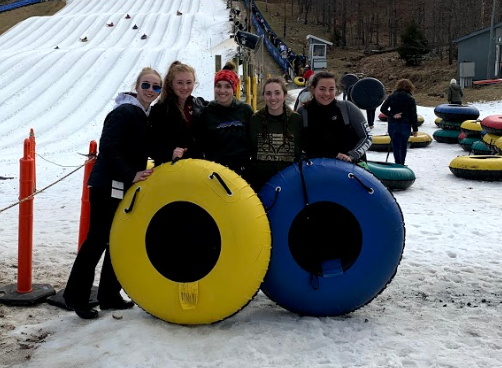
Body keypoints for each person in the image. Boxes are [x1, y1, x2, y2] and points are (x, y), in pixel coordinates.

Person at [63, 67, 162, 319]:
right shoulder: (124, 112)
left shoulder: (144, 114)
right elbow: (108, 148)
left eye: (156, 87)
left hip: (121, 186)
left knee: (117, 240)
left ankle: (109, 295)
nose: (151, 90)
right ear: (137, 86)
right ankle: (77, 297)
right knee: (97, 240)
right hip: (109, 185)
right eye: (146, 85)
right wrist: (131, 174)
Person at [193, 61, 254, 180]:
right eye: (218, 86)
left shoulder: (245, 110)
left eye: (227, 86)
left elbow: (253, 140)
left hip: (241, 172)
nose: (222, 91)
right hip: (215, 172)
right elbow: (200, 143)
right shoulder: (207, 112)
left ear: (234, 89)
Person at [297, 71, 372, 163]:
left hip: (349, 169)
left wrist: (352, 155)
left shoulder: (347, 108)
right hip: (316, 170)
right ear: (313, 89)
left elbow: (366, 137)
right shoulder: (303, 112)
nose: (327, 93)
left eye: (331, 89)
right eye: (322, 89)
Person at [249, 77, 303, 191]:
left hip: (290, 183)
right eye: (268, 93)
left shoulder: (296, 120)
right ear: (263, 96)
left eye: (277, 93)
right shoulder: (255, 120)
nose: (273, 98)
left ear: (284, 95)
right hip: (261, 185)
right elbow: (250, 150)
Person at [149, 61, 206, 166]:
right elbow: (151, 145)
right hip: (170, 168)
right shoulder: (160, 110)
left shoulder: (200, 106)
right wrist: (170, 154)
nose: (185, 87)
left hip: (196, 169)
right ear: (171, 84)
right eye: (180, 83)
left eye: (189, 82)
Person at [380, 78, 418, 165]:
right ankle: (402, 164)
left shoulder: (392, 97)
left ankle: (397, 164)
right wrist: (415, 129)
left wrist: (393, 115)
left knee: (396, 146)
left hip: (393, 124)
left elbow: (383, 109)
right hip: (405, 124)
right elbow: (413, 115)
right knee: (403, 146)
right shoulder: (410, 99)